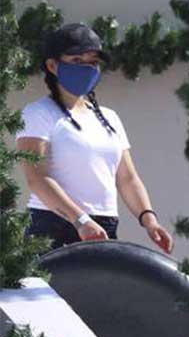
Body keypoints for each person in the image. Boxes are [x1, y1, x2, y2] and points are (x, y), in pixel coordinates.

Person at [15, 23, 174, 253]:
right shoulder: (38, 113)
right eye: (77, 61)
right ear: (52, 65)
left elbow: (127, 178)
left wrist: (149, 220)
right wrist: (80, 220)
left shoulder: (109, 118)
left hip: (103, 225)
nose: (87, 68)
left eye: (93, 62)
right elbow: (37, 178)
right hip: (54, 224)